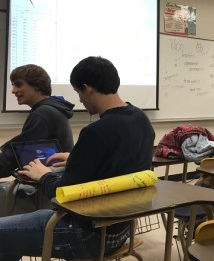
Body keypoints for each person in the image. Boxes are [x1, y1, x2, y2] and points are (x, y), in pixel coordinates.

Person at [0, 56, 156, 260]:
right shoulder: (141, 120)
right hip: (121, 231)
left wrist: (43, 174)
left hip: (86, 234)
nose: (80, 99)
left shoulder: (96, 132)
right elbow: (115, 164)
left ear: (87, 88)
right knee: (9, 240)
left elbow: (61, 193)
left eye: (78, 92)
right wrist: (77, 157)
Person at [0, 64, 74, 178]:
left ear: (37, 86)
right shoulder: (51, 109)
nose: (13, 91)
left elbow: (15, 156)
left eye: (18, 84)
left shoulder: (42, 114)